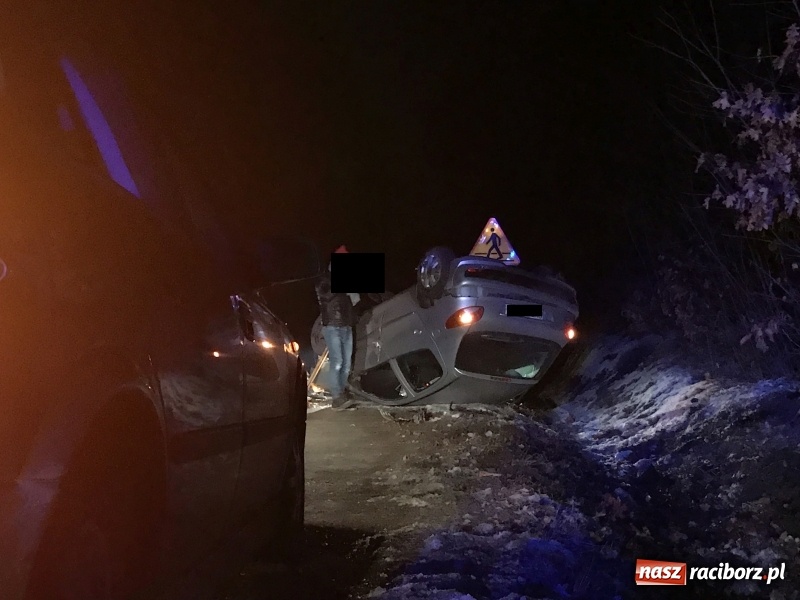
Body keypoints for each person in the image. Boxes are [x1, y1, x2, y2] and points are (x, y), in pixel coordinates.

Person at [315, 245, 356, 409]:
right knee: (337, 361)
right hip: (332, 326)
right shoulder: (323, 279)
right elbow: (324, 294)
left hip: (346, 325)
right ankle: (336, 397)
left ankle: (342, 392)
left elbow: (353, 302)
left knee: (346, 363)